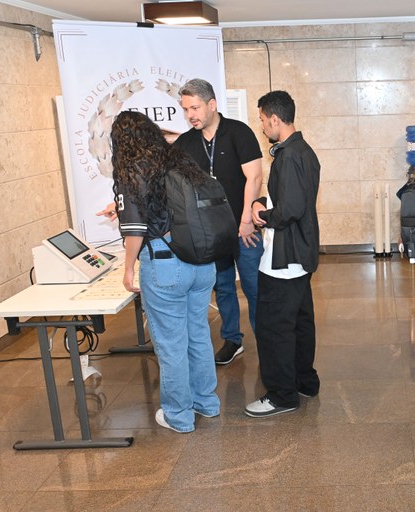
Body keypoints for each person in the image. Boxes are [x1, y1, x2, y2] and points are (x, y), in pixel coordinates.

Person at [111, 110, 219, 433]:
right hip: (201, 263)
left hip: (165, 267)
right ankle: (207, 403)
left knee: (171, 344)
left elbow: (135, 229)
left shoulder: (132, 170)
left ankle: (178, 416)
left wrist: (128, 269)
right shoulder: (180, 161)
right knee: (197, 334)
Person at [174, 79, 264, 366]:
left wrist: (247, 219)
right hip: (211, 233)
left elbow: (255, 177)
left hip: (244, 227)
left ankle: (266, 338)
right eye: (186, 109)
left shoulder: (239, 133)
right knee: (223, 286)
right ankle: (232, 340)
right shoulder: (186, 142)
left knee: (254, 286)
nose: (190, 115)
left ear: (212, 105)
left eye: (195, 107)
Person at [244, 91, 321, 418]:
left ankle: (281, 395)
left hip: (283, 258)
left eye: (262, 120)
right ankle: (305, 381)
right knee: (301, 323)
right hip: (300, 253)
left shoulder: (287, 157)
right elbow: (294, 200)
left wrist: (261, 215)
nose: (261, 126)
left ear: (275, 119)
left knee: (273, 328)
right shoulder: (304, 151)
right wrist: (266, 202)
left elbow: (289, 209)